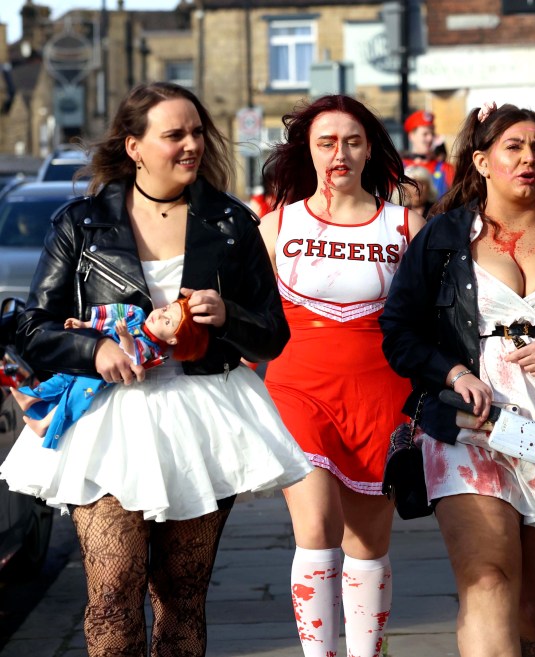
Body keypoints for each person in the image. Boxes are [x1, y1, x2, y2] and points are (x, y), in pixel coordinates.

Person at [0, 81, 313, 657]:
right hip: (106, 421)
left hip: (204, 415)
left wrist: (229, 316)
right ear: (134, 146)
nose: (192, 144)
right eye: (175, 135)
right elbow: (29, 327)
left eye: (197, 132)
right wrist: (92, 351)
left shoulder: (231, 222)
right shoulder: (81, 224)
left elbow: (273, 334)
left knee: (181, 597)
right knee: (112, 595)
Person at [380, 102, 535, 657]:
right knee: (488, 580)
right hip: (469, 428)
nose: (529, 159)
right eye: (514, 148)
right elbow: (398, 330)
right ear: (482, 160)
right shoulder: (444, 238)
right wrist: (450, 371)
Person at [259, 94, 425, 657]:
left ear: (370, 150)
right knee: (316, 528)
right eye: (326, 142)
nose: (340, 153)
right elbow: (246, 322)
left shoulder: (406, 225)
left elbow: (430, 319)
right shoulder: (276, 225)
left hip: (382, 396)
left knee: (369, 544)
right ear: (305, 152)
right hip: (296, 390)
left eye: (353, 141)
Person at [11, 298, 207, 443]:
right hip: (90, 358)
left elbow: (132, 359)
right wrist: (85, 325)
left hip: (102, 376)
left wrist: (125, 338)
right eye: (165, 309)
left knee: (74, 397)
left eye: (167, 321)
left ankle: (45, 424)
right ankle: (32, 397)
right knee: (63, 377)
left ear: (173, 340)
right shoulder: (137, 315)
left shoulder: (151, 348)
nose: (159, 315)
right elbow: (109, 319)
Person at [401, 109, 454, 198]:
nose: (430, 138)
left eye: (432, 133)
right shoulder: (399, 168)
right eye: (425, 134)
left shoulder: (447, 169)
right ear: (411, 136)